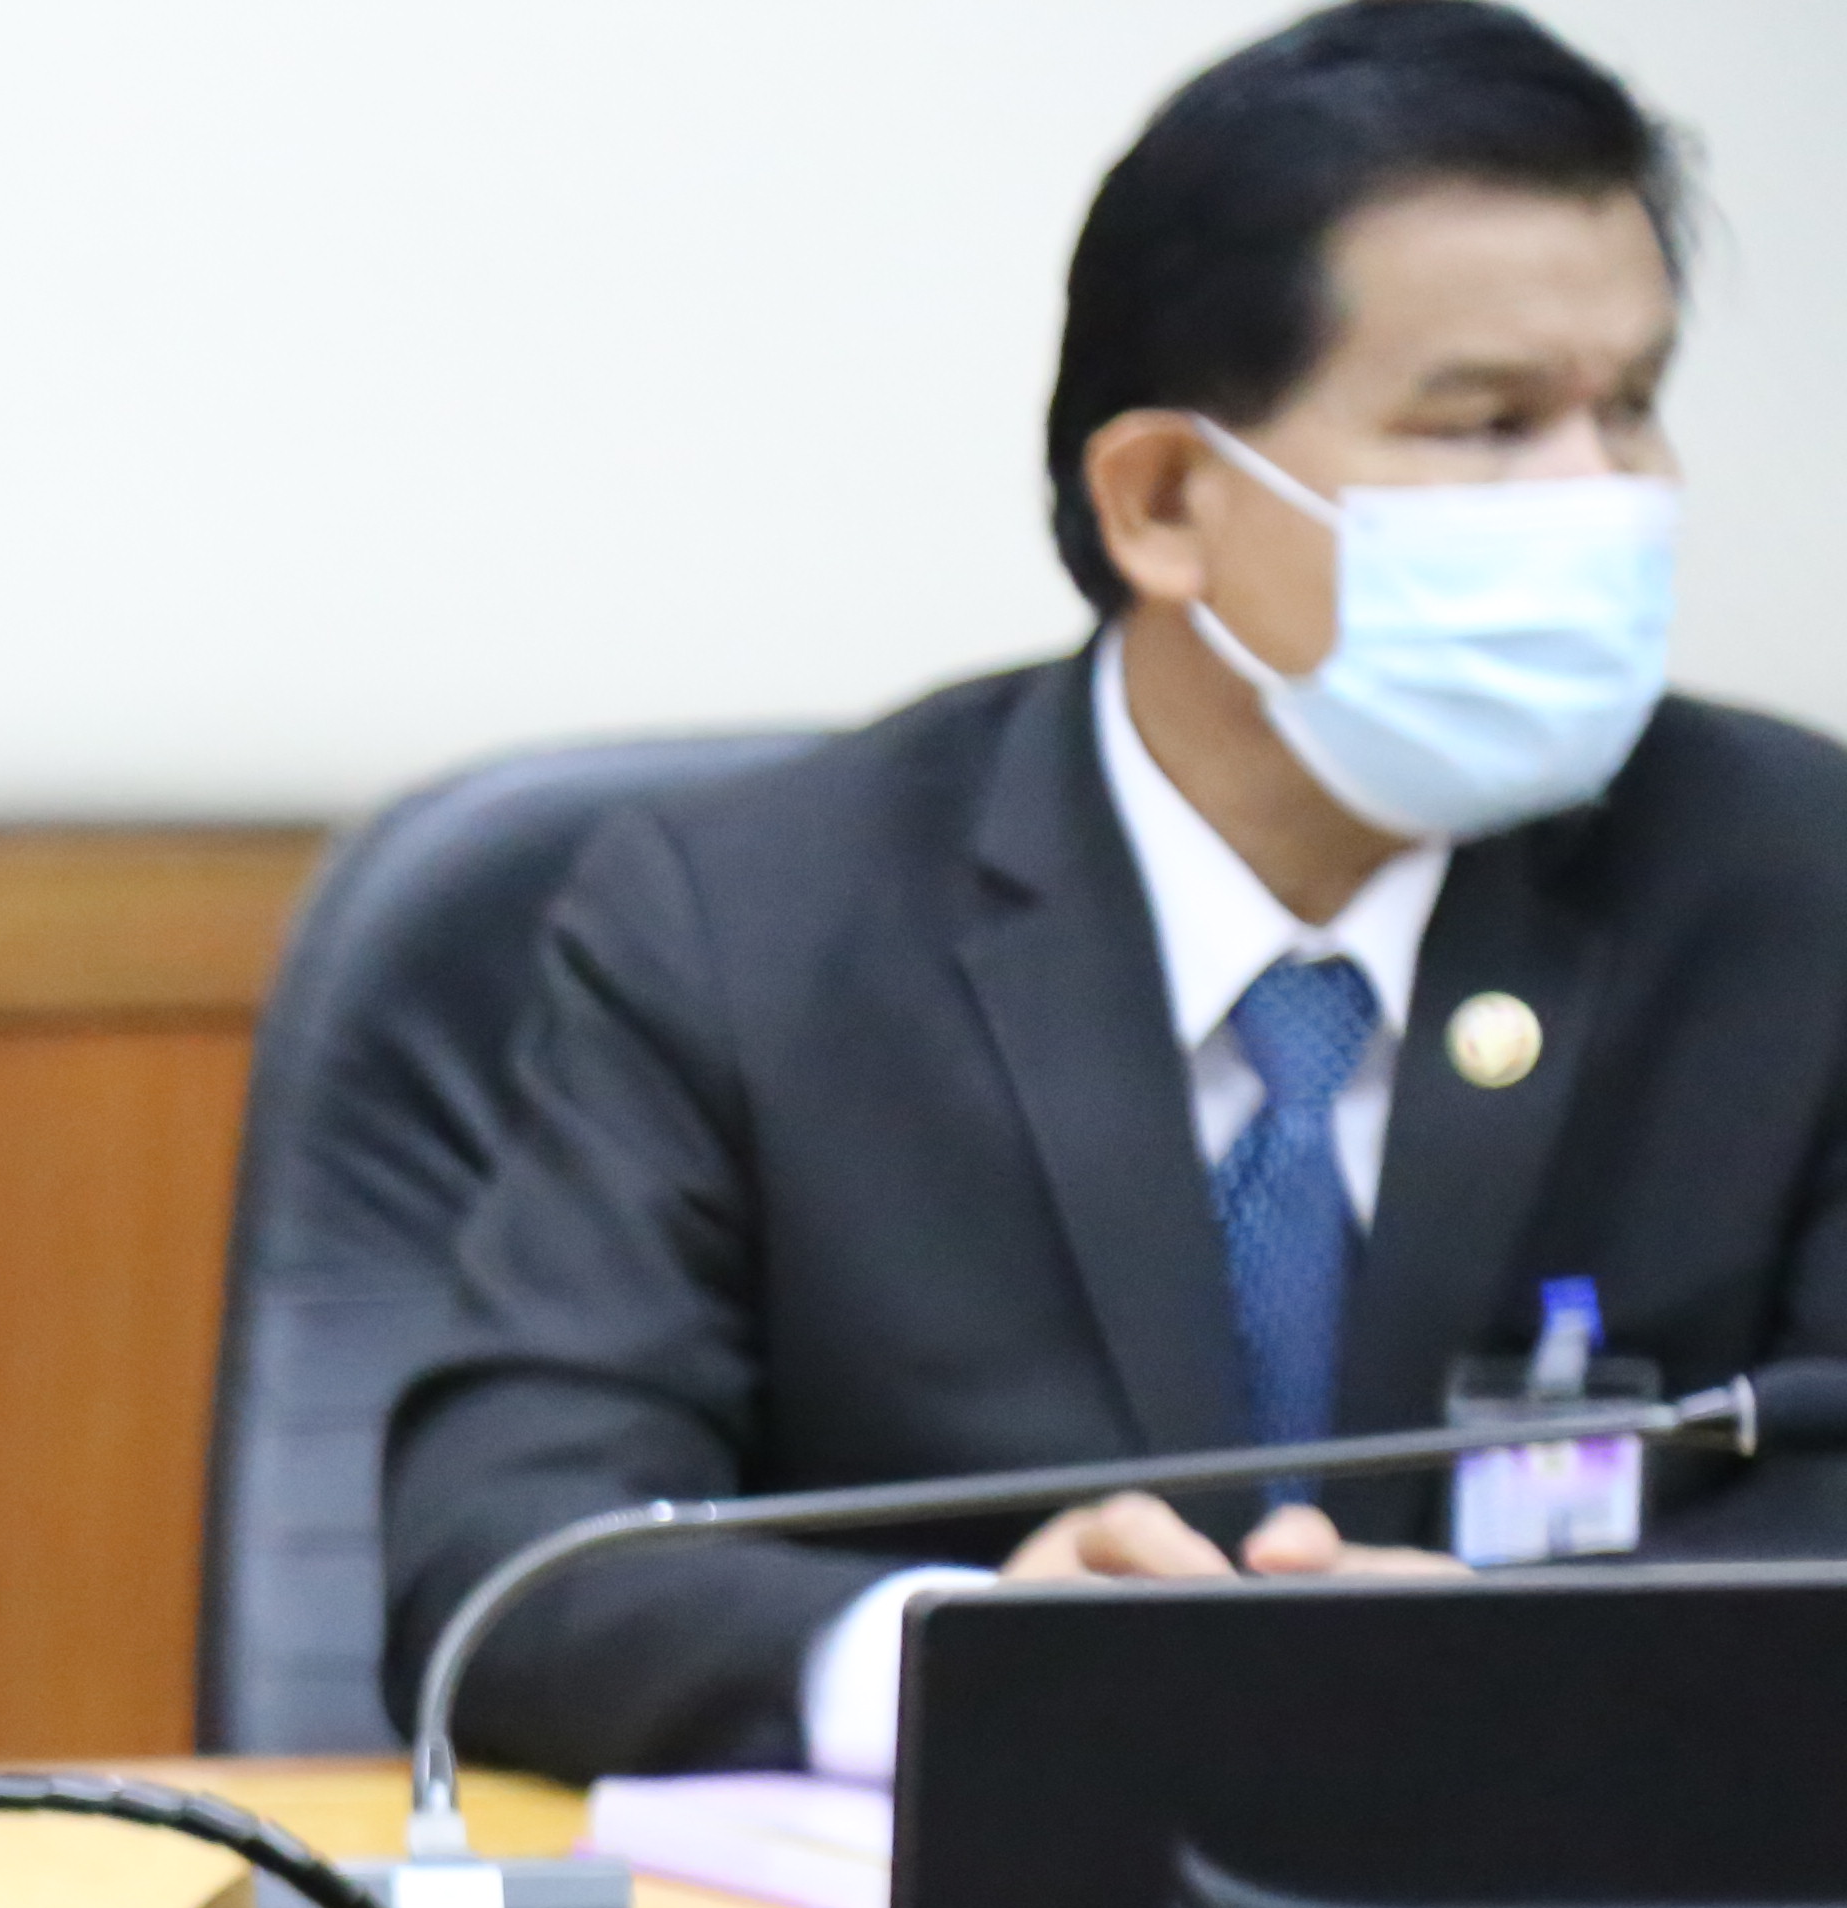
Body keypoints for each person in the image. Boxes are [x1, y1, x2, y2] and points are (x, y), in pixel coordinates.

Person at [379, 0, 1847, 1782]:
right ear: (1161, 501)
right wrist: (966, 1659)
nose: (1603, 498)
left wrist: (1514, 1666)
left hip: (1586, 1902)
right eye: (1487, 423)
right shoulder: (749, 922)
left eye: (1629, 408)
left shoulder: (1794, 885)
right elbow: (510, 1554)